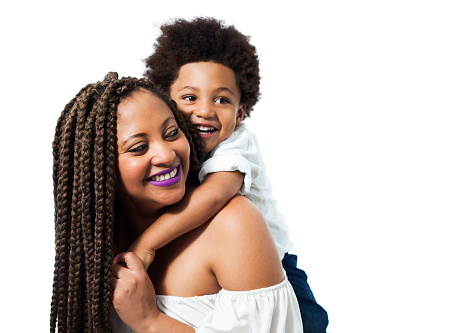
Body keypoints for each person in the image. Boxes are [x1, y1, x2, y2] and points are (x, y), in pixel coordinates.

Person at [50, 72, 302, 332]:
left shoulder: (233, 225)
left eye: (171, 133)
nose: (166, 155)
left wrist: (150, 322)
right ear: (98, 170)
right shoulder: (94, 249)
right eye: (138, 147)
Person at [128, 17, 328, 332]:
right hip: (230, 267)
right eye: (190, 97)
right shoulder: (173, 145)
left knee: (308, 323)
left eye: (221, 100)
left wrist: (146, 243)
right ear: (166, 100)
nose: (205, 110)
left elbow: (212, 196)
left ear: (240, 112)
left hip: (279, 265)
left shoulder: (237, 145)